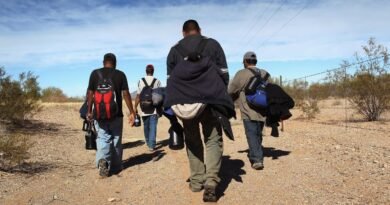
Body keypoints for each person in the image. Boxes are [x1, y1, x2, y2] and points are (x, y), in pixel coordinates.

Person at [165, 19, 234, 202]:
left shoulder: (174, 50)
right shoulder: (213, 44)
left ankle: (196, 182)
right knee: (212, 139)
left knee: (193, 140)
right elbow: (224, 75)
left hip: (185, 104)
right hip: (210, 101)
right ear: (199, 30)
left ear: (183, 33)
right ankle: (211, 182)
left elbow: (170, 81)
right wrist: (219, 96)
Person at [86, 53, 136, 177]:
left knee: (103, 138)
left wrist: (89, 110)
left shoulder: (94, 73)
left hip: (99, 113)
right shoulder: (120, 74)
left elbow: (90, 93)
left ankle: (103, 160)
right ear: (115, 63)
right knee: (116, 139)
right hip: (116, 114)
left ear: (103, 62)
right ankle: (115, 166)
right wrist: (132, 111)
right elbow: (125, 94)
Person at [228, 51, 269, 170]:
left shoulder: (241, 74)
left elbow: (231, 90)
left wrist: (229, 101)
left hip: (248, 110)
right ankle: (256, 152)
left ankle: (257, 160)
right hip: (262, 109)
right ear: (255, 61)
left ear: (245, 62)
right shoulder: (265, 73)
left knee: (251, 134)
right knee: (258, 133)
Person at [134, 64, 162, 151]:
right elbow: (160, 95)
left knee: (146, 126)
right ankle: (151, 145)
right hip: (154, 108)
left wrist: (135, 107)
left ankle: (147, 141)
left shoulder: (141, 81)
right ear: (153, 71)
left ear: (146, 71)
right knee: (153, 126)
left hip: (143, 108)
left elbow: (138, 95)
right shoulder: (157, 81)